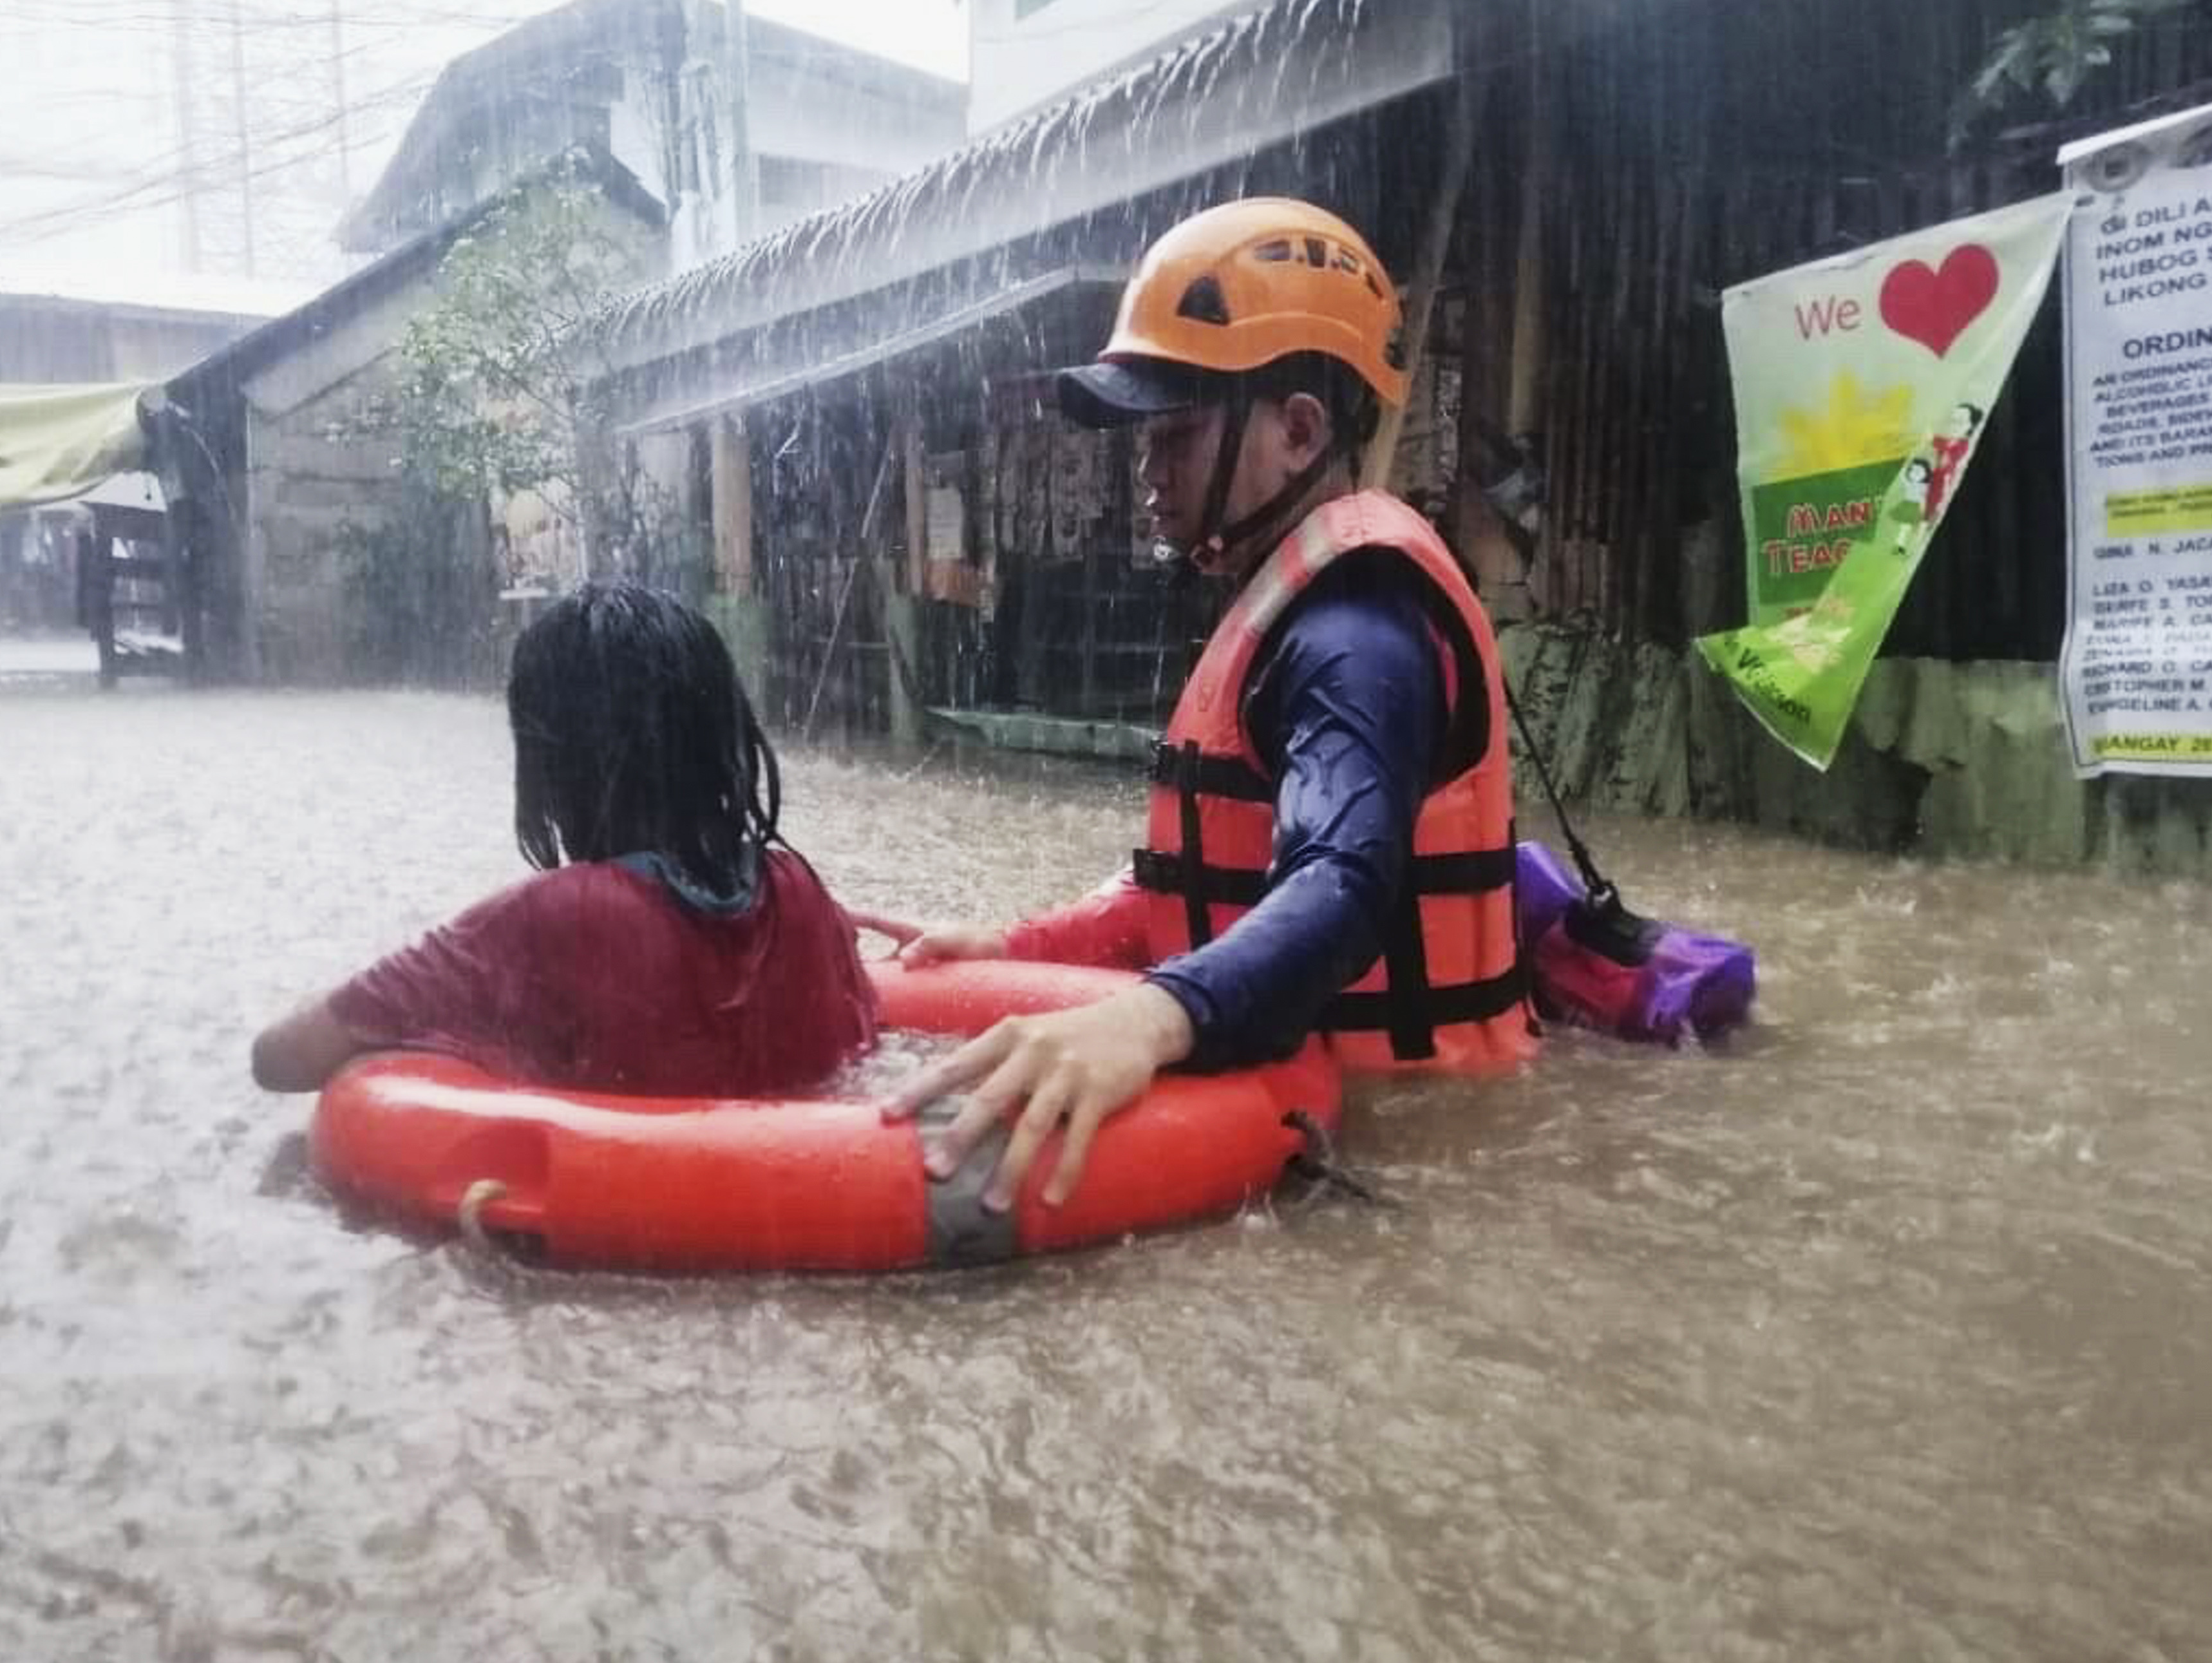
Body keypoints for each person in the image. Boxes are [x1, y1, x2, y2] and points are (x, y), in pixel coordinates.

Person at [852, 198, 1534, 1217]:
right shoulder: (1292, 600)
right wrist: (1016, 946)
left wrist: (1149, 1019)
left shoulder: (1356, 634)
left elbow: (1343, 885)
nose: (1147, 474)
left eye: (1174, 437)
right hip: (1336, 1105)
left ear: (1298, 431)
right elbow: (1195, 888)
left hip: (1411, 1147)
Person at [252, 582, 876, 1097]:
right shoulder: (800, 894)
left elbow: (280, 1058)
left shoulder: (556, 916)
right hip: (799, 1203)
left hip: (624, 1231)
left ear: (550, 763)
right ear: (726, 735)